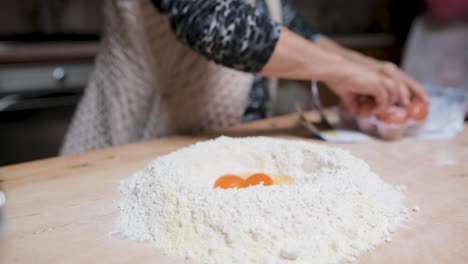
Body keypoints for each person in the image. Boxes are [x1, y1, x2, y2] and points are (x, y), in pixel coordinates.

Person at [61, 0, 429, 155]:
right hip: (134, 143)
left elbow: (286, 23)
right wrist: (344, 72)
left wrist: (367, 68)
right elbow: (213, 20)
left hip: (217, 147)